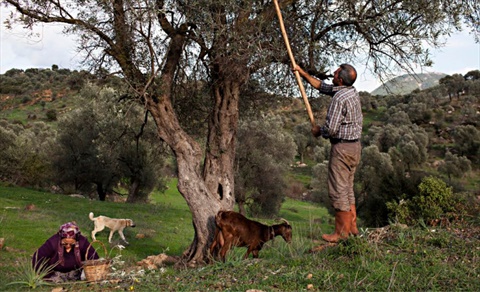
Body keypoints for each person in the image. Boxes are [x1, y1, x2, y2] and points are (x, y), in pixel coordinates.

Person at [293, 64, 362, 242]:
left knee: (338, 189)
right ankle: (352, 228)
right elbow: (322, 87)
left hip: (342, 149)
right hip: (354, 148)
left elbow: (331, 129)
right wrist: (302, 73)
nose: (334, 72)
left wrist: (319, 131)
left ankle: (340, 233)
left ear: (340, 79)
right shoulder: (350, 91)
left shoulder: (339, 98)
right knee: (347, 189)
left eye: (337, 72)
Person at [32, 222, 99, 282]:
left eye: (72, 244)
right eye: (65, 243)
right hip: (55, 273)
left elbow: (94, 257)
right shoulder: (53, 242)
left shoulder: (82, 242)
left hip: (76, 273)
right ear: (61, 238)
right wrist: (45, 275)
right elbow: (38, 257)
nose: (68, 246)